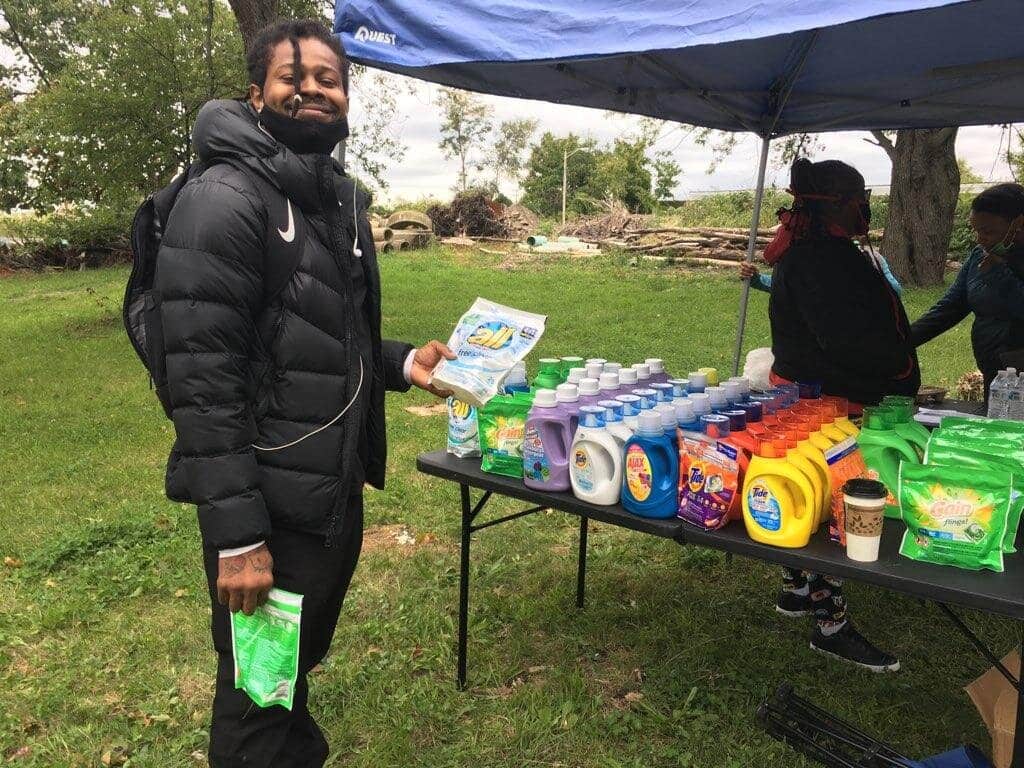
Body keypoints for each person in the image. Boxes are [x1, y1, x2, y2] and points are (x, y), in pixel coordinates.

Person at [153, 19, 453, 767]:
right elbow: (201, 380)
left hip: (324, 489)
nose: (314, 89)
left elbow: (319, 328)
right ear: (256, 93)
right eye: (294, 77)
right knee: (256, 693)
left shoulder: (326, 196)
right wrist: (238, 538)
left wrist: (402, 361)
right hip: (270, 508)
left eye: (329, 77)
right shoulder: (225, 198)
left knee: (285, 667)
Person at [753, 158, 921, 673]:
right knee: (838, 507)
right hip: (832, 405)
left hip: (805, 393)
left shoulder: (806, 254)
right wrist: (895, 374)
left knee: (805, 490)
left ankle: (796, 587)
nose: (864, 207)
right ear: (842, 204)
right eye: (859, 198)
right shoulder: (827, 262)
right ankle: (830, 624)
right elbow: (848, 343)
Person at [911, 183, 1024, 398]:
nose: (980, 239)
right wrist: (901, 341)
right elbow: (950, 307)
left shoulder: (995, 265)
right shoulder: (980, 256)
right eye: (977, 231)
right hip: (998, 376)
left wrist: (998, 272)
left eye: (988, 231)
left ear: (1018, 223)